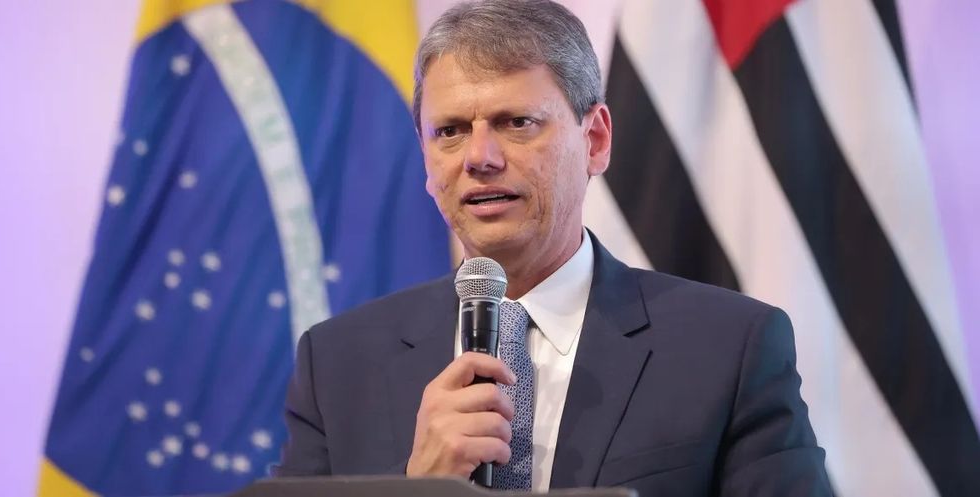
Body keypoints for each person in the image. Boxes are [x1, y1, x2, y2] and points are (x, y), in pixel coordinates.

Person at [274, 1, 831, 495]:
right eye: (450, 131)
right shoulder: (337, 364)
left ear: (595, 141)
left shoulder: (728, 349)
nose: (479, 157)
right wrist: (419, 492)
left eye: (516, 122)